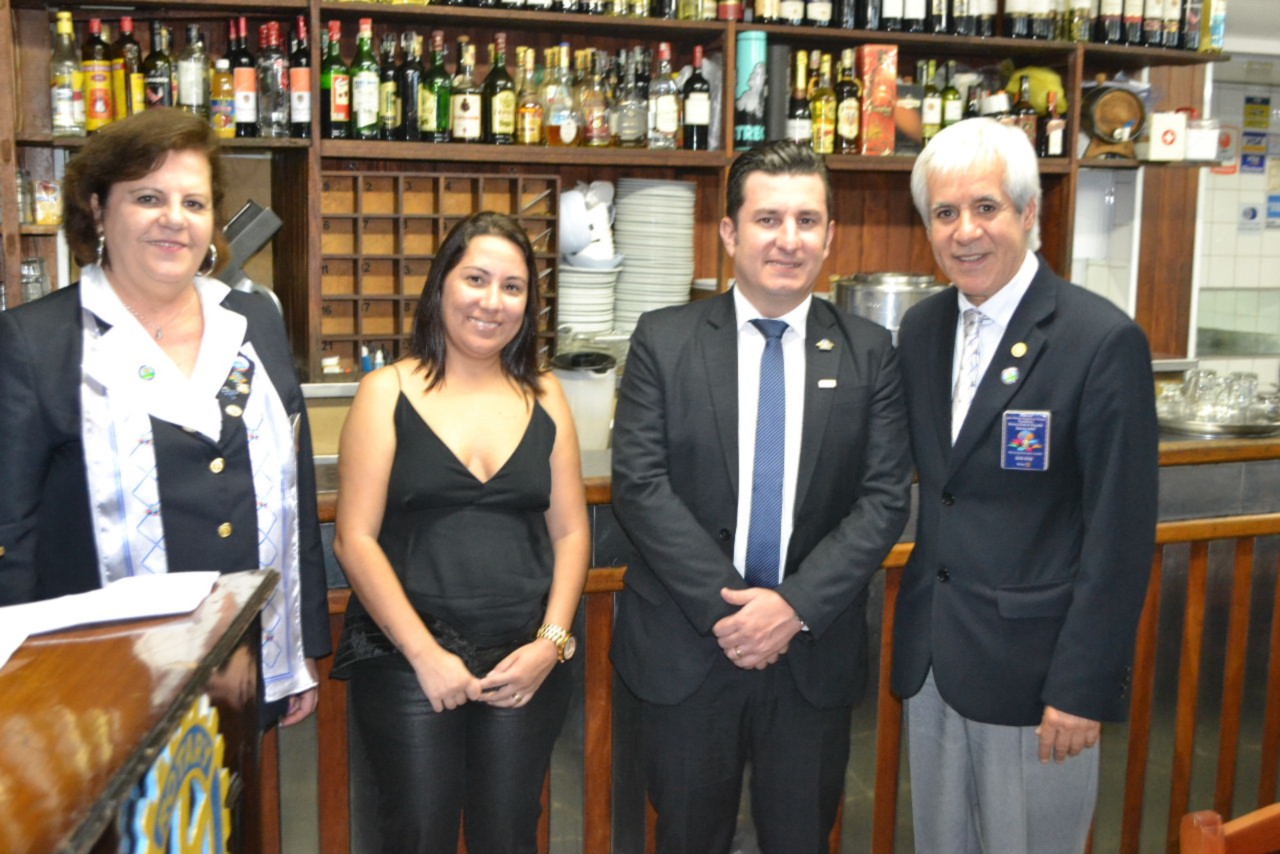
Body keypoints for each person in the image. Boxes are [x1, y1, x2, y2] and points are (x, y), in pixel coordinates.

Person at [611, 141, 913, 853]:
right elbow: (641, 484)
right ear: (729, 232)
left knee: (802, 837)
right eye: (768, 219)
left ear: (830, 238)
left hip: (810, 654)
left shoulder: (870, 352)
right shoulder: (664, 339)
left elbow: (882, 500)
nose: (789, 239)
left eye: (807, 221)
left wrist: (792, 607)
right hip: (688, 649)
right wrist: (734, 615)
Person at [0, 107, 330, 725]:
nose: (174, 219)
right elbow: (11, 534)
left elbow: (296, 495)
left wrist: (303, 647)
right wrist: (16, 688)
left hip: (244, 667)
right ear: (98, 209)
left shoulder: (253, 322)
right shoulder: (34, 342)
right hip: (97, 690)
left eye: (194, 203)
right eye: (148, 197)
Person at [892, 118, 1159, 854]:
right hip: (934, 662)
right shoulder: (922, 330)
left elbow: (1120, 536)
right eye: (945, 213)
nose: (965, 232)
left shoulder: (1099, 341)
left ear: (1028, 212)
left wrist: (1081, 686)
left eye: (986, 207)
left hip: (1038, 680)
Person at [331, 211, 590, 853]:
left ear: (528, 304)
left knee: (510, 834)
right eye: (476, 279)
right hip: (407, 659)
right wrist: (426, 655)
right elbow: (354, 538)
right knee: (417, 834)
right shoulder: (385, 391)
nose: (491, 301)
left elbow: (571, 532)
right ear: (442, 284)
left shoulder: (547, 395)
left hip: (523, 655)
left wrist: (550, 644)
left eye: (512, 286)